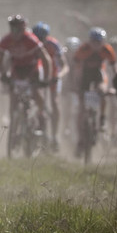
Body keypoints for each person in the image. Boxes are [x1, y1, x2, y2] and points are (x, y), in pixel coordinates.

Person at [0, 15, 52, 133]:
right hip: (16, 70)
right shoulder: (6, 40)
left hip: (32, 69)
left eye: (19, 30)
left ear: (24, 29)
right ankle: (14, 124)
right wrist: (3, 74)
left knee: (36, 93)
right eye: (13, 30)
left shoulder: (31, 39)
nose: (15, 33)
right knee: (14, 98)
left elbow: (46, 59)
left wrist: (46, 79)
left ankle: (41, 116)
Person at [72, 27, 117, 155]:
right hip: (85, 75)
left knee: (102, 91)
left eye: (99, 42)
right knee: (81, 108)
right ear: (89, 41)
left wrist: (116, 86)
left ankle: (102, 118)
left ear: (103, 42)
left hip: (98, 74)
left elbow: (114, 69)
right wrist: (76, 86)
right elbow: (77, 69)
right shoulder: (83, 49)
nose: (96, 45)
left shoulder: (107, 50)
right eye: (94, 42)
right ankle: (80, 139)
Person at [31, 22, 69, 150]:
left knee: (54, 101)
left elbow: (65, 65)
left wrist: (59, 76)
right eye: (37, 38)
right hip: (39, 75)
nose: (40, 41)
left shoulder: (53, 44)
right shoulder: (32, 43)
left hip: (53, 76)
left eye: (42, 38)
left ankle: (54, 135)